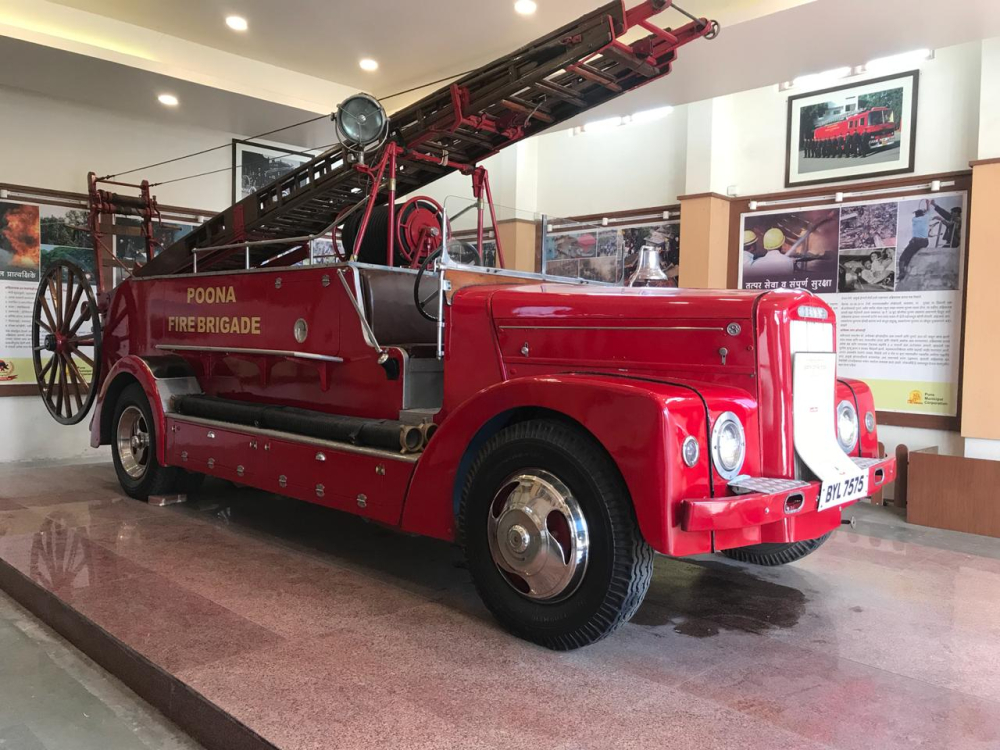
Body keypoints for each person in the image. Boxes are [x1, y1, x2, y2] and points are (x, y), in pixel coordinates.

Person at [898, 204, 931, 281]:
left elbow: (925, 213)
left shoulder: (914, 220)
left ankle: (902, 272)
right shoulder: (926, 218)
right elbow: (928, 211)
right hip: (925, 242)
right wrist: (927, 207)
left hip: (916, 242)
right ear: (923, 214)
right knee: (911, 255)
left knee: (903, 257)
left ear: (916, 215)